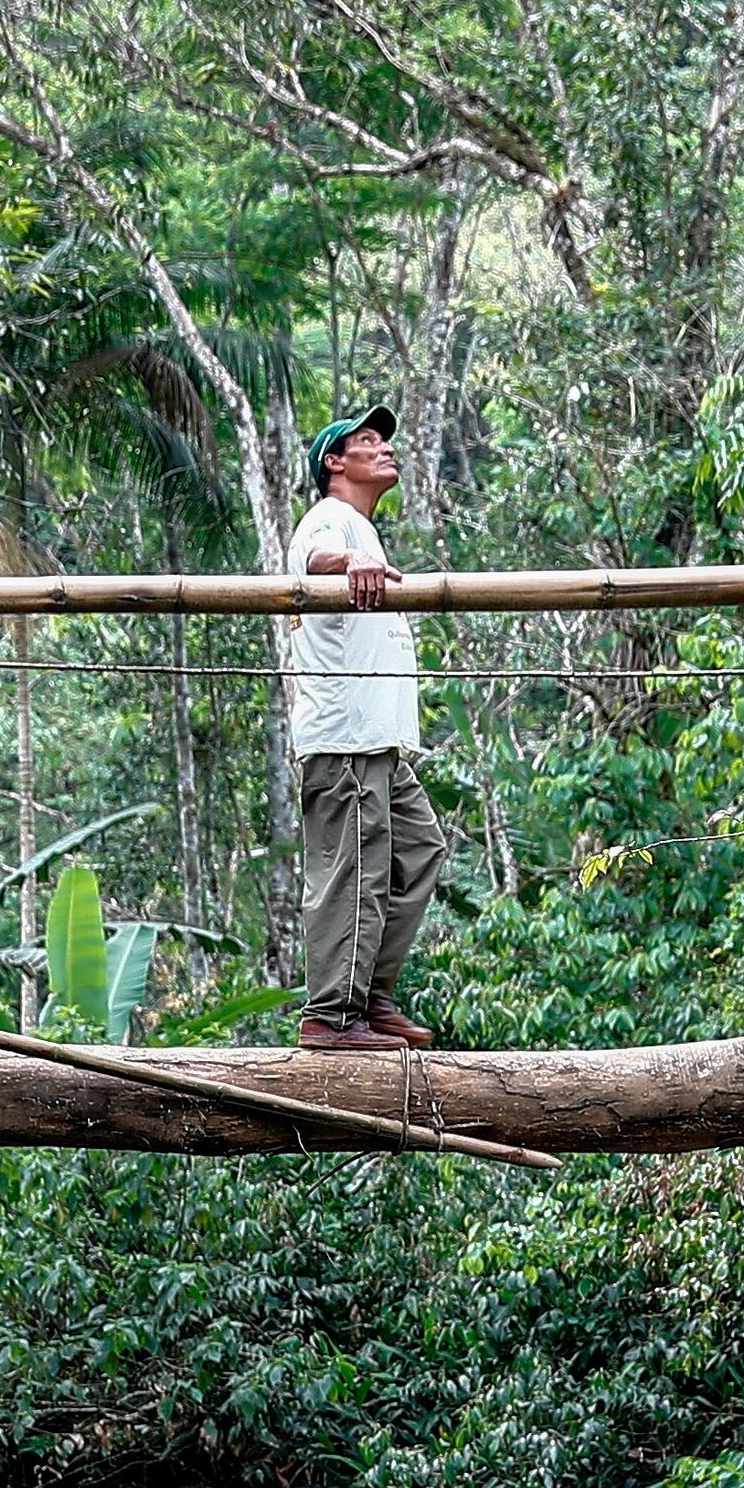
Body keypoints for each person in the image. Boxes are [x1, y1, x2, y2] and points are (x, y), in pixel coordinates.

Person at [279, 407, 451, 1056]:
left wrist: (361, 555)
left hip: (377, 744)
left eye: (384, 441)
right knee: (352, 872)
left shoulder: (364, 531)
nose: (384, 450)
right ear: (334, 463)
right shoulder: (332, 520)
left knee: (418, 850)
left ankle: (370, 992)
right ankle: (332, 1013)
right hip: (345, 741)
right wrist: (348, 559)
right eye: (367, 442)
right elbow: (314, 557)